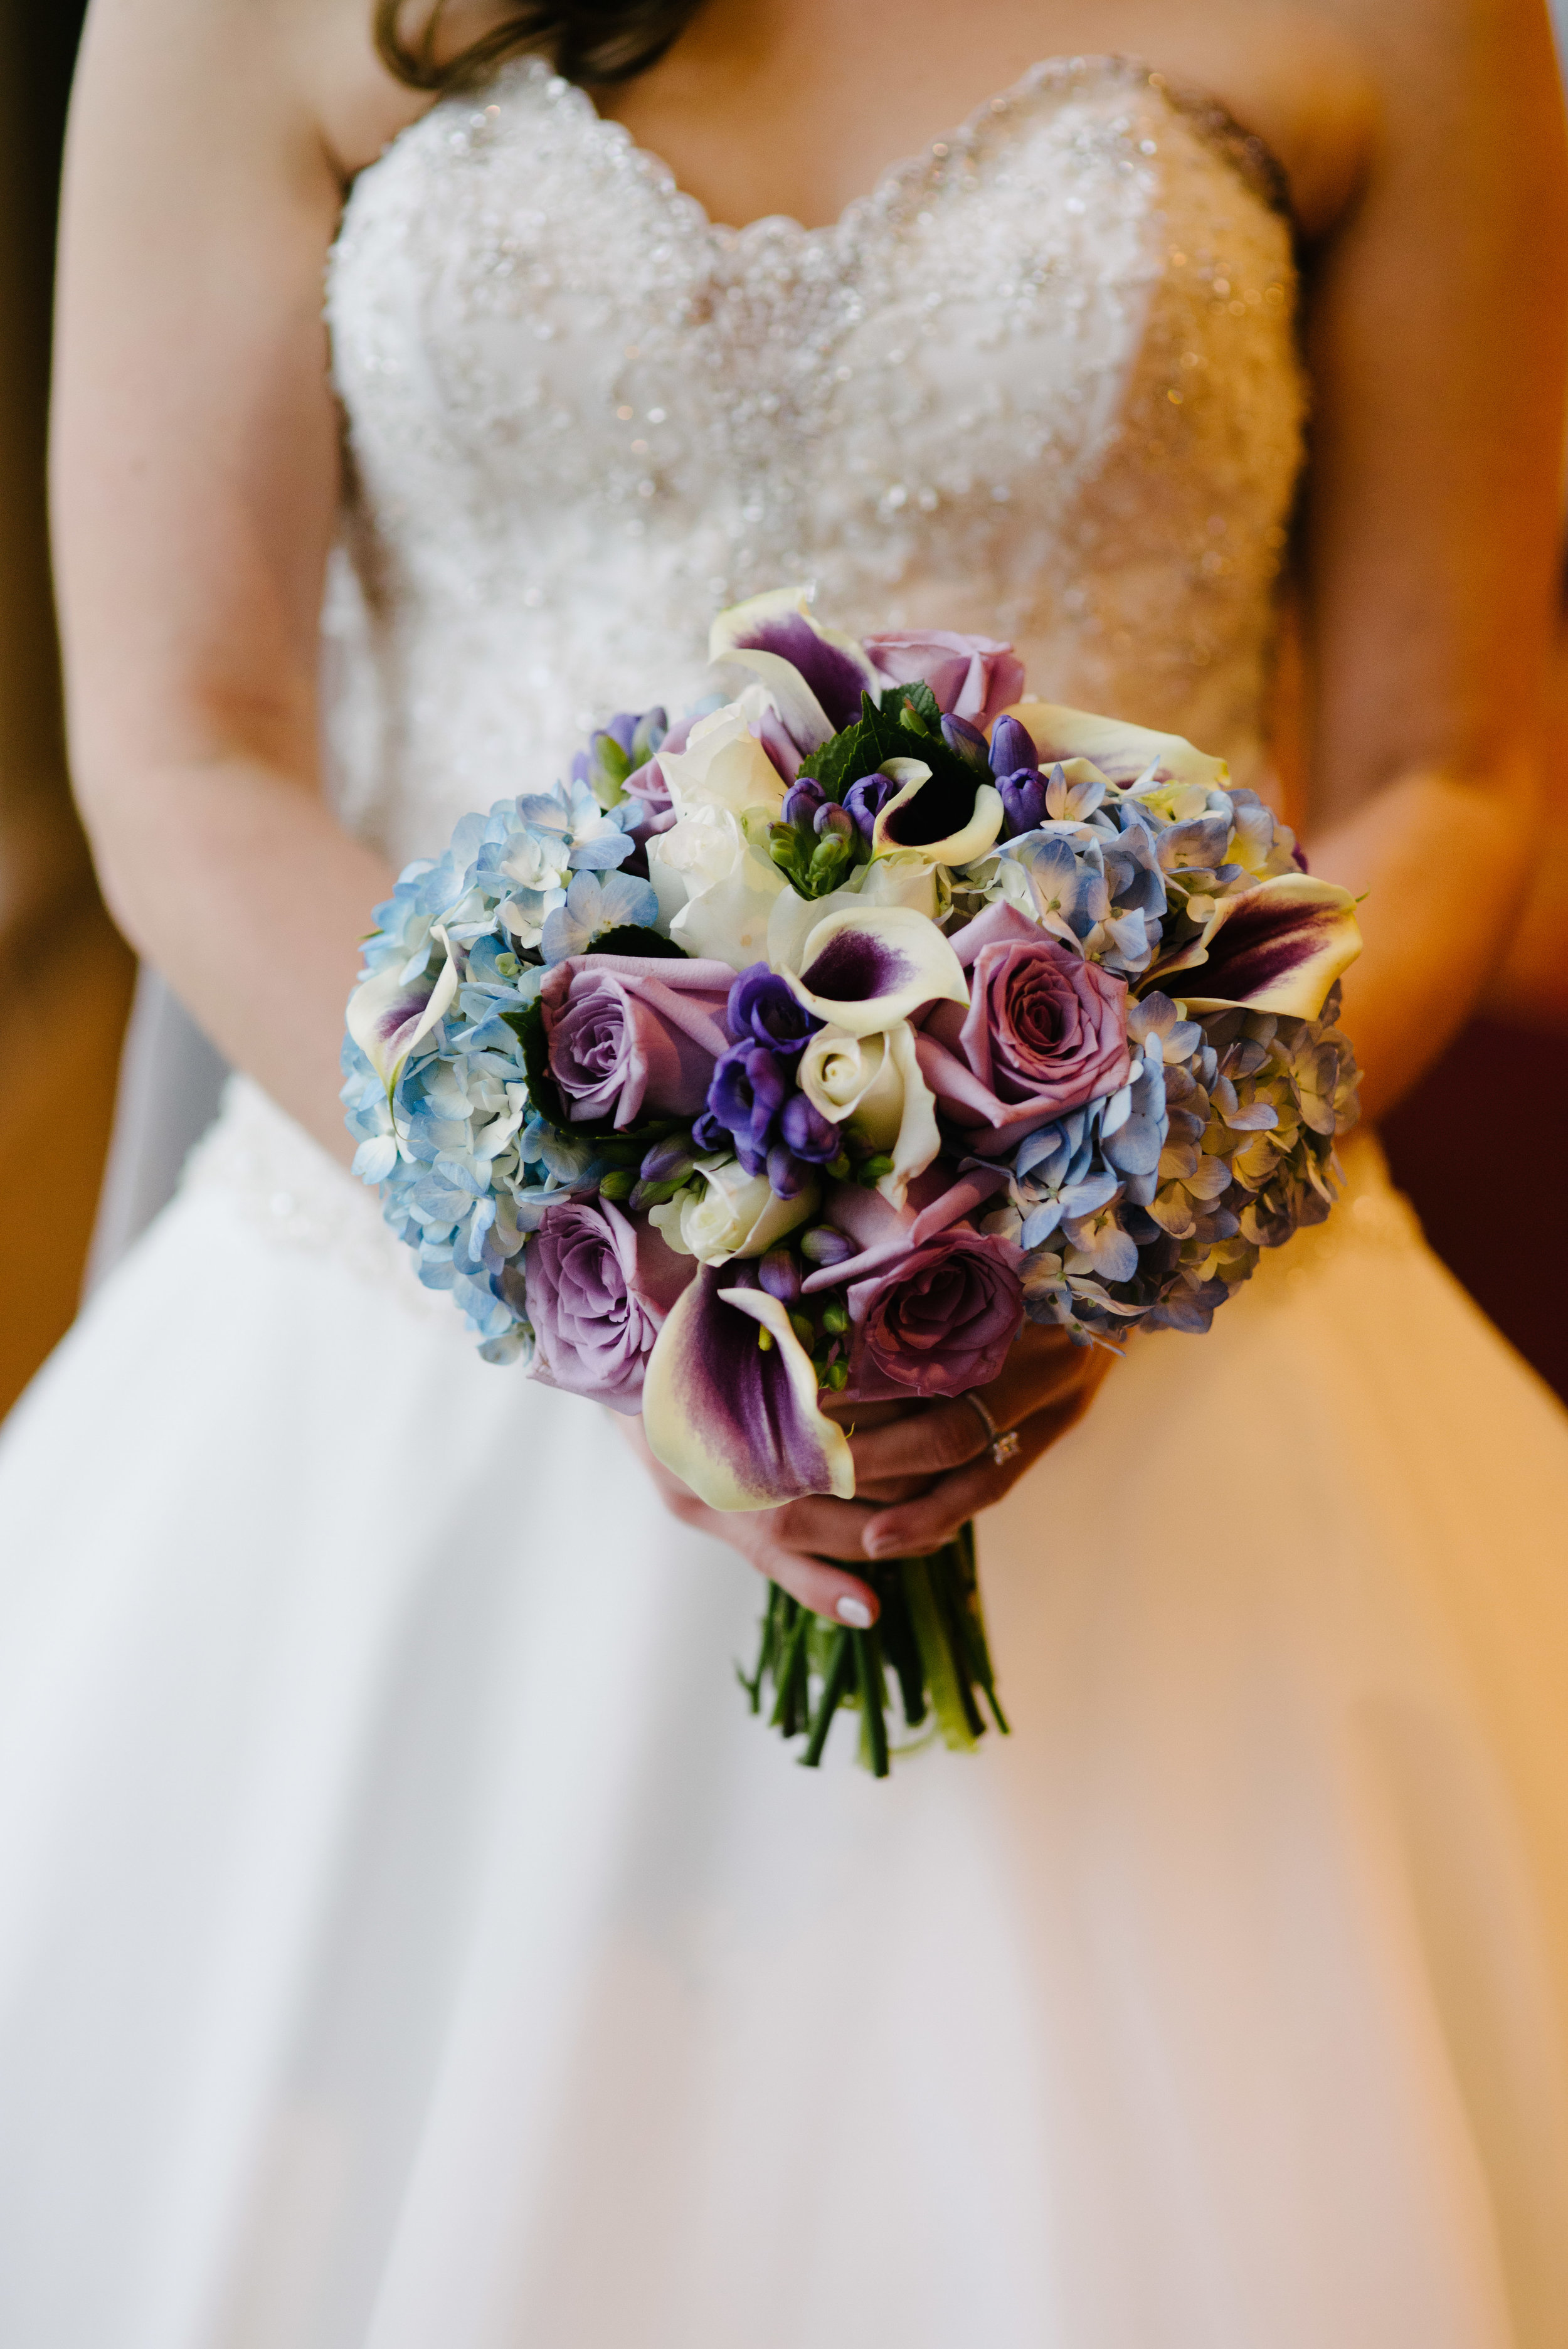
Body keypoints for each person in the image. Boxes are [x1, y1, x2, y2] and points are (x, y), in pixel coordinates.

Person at [3, 0, 1567, 2338]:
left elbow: (1445, 768)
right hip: (406, 1356)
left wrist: (1105, 1202)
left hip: (1169, 1380)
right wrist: (596, 1266)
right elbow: (184, 751)